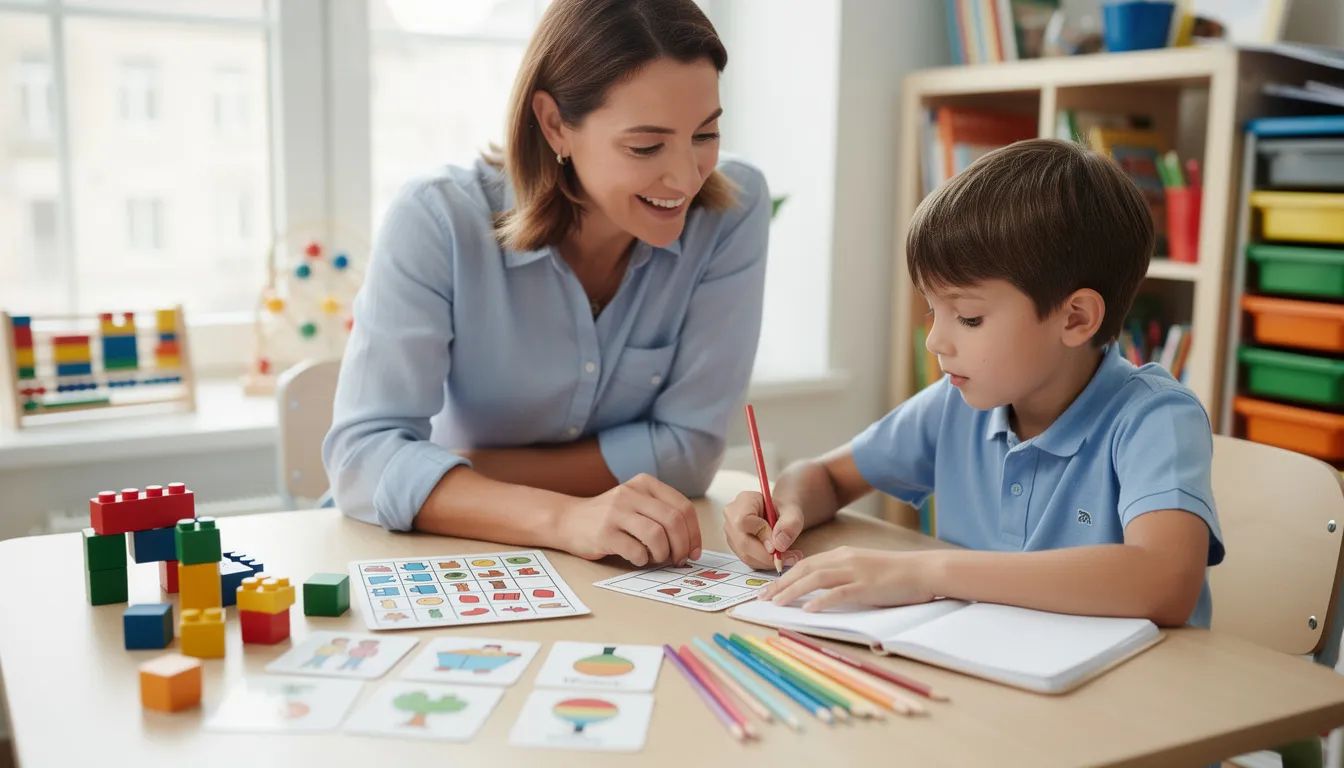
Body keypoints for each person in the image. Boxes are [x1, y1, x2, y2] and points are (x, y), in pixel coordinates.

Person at [324, 0, 770, 569]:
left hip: (616, 559)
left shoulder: (733, 209)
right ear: (556, 124)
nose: (686, 177)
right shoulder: (439, 220)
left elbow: (688, 455)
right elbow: (362, 463)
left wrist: (445, 470)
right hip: (448, 555)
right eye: (645, 146)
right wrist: (565, 517)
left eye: (705, 134)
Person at [723, 138, 1225, 628]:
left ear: (1074, 318)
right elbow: (829, 478)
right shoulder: (957, 405)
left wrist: (929, 571)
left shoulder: (1155, 419)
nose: (935, 341)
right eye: (931, 310)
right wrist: (785, 508)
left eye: (967, 317)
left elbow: (1166, 580)